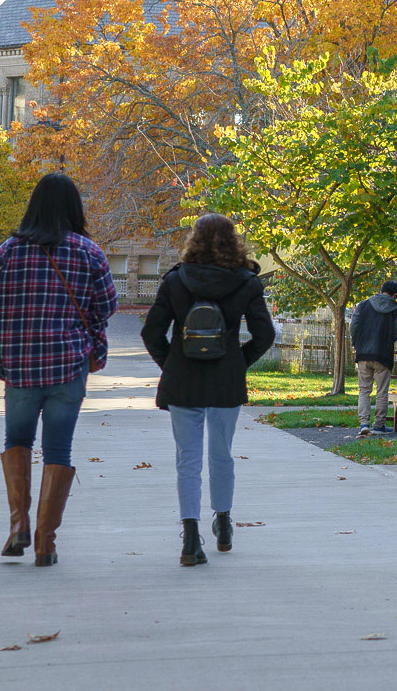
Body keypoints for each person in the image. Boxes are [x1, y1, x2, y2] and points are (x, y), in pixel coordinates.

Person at [0, 172, 117, 567]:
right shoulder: (89, 252)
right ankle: (45, 543)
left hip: (18, 367)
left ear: (33, 205)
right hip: (68, 366)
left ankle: (18, 525)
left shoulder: (8, 252)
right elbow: (106, 307)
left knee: (16, 440)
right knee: (58, 449)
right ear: (74, 208)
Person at [141, 213, 274, 566]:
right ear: (234, 241)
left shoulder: (176, 280)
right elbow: (265, 336)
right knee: (222, 454)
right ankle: (225, 523)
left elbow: (151, 333)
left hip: (184, 380)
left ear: (193, 240)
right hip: (224, 382)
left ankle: (189, 539)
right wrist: (236, 364)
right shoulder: (246, 281)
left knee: (187, 459)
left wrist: (171, 365)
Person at [349, 281, 397, 436]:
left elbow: (353, 326)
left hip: (363, 353)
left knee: (364, 390)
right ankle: (379, 425)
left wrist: (356, 343)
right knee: (382, 391)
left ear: (381, 290)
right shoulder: (395, 308)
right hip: (383, 354)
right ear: (395, 295)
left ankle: (363, 424)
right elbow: (396, 333)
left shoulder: (363, 304)